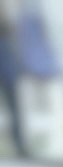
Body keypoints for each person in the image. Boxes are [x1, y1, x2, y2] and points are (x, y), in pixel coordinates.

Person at [0, 1, 27, 158]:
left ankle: (19, 145)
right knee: (14, 107)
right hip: (6, 62)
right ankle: (19, 145)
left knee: (14, 107)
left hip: (6, 63)